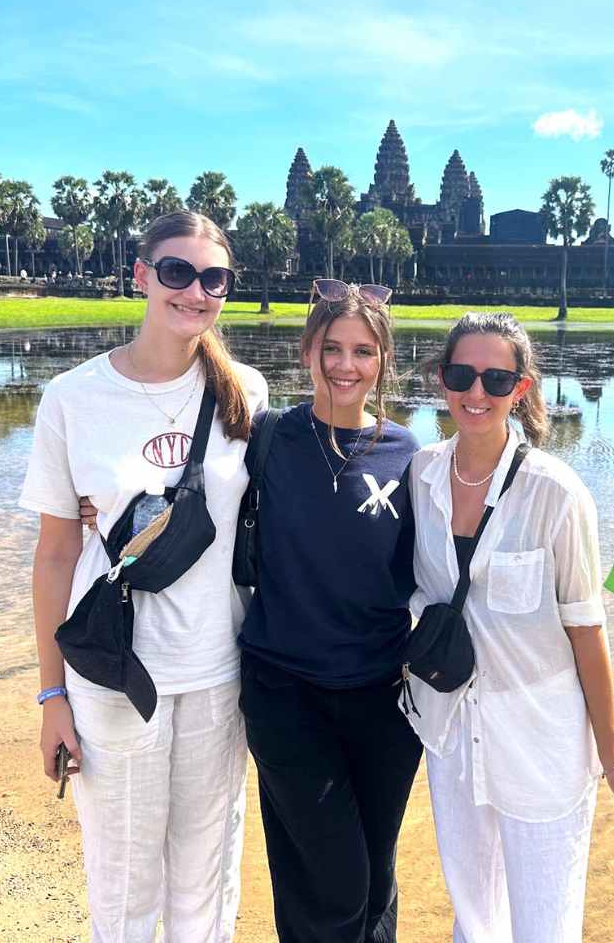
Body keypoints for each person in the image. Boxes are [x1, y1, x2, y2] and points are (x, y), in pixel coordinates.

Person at [20, 210, 268, 942]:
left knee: (207, 880)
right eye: (176, 272)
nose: (194, 291)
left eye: (212, 278)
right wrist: (50, 693)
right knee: (124, 880)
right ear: (141, 277)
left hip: (218, 671)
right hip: (113, 674)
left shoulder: (244, 394)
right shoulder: (73, 398)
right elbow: (56, 555)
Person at [404, 312, 614, 943]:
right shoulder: (421, 475)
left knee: (545, 924)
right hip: (453, 733)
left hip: (541, 742)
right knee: (475, 917)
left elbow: (587, 632)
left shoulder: (557, 493)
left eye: (496, 378)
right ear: (442, 380)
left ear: (523, 388)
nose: (477, 392)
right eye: (462, 374)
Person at [238, 280, 423, 943]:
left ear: (383, 362)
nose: (347, 365)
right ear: (307, 351)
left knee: (374, 876)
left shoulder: (412, 456)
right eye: (333, 348)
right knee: (331, 875)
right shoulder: (267, 439)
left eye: (364, 351)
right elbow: (180, 488)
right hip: (284, 691)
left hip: (384, 699)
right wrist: (97, 511)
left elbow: (457, 555)